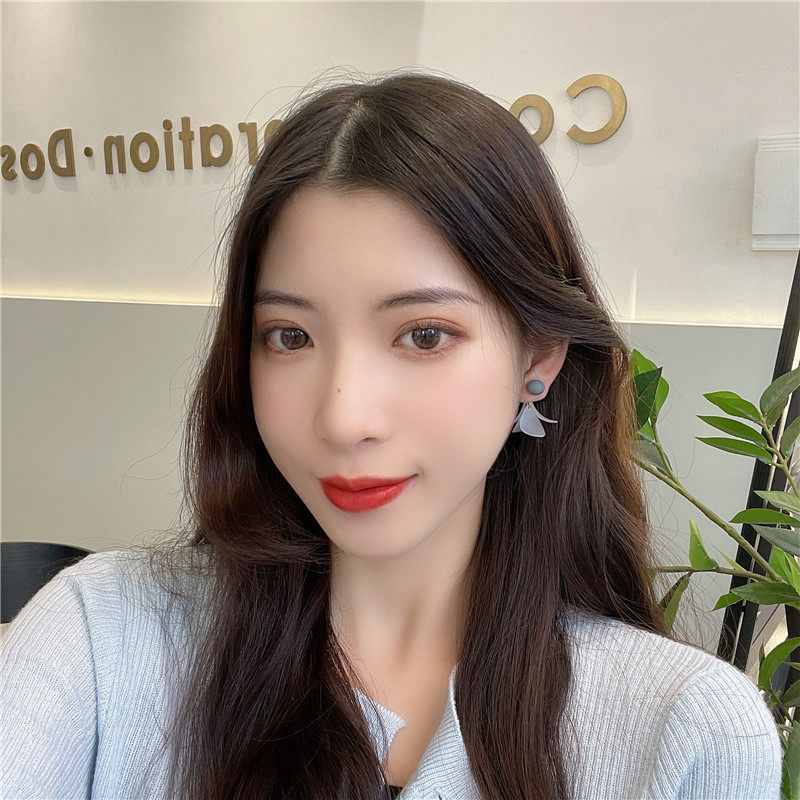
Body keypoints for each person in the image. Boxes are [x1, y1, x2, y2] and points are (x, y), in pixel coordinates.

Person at [0, 71, 782, 800]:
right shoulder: (97, 639)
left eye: (424, 335)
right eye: (290, 337)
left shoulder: (687, 732)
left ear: (537, 358)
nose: (344, 420)